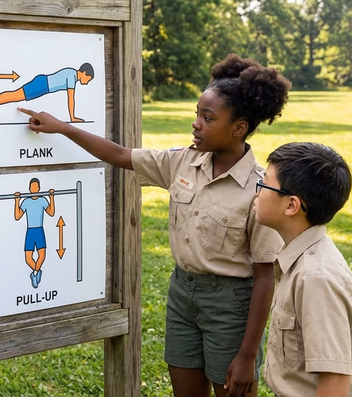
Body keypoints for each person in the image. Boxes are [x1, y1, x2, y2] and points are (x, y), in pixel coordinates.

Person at [20, 54, 290, 397]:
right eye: (197, 114)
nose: (196, 123)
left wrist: (247, 355)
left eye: (208, 118)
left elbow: (265, 277)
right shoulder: (182, 161)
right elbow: (121, 155)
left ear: (239, 128)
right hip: (182, 294)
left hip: (230, 305)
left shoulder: (257, 190)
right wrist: (63, 127)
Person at [255, 142, 352, 397]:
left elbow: (334, 382)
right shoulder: (299, 258)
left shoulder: (315, 278)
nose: (256, 193)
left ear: (291, 206)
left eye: (263, 185)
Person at [0, 63, 94, 125]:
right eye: (88, 78)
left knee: (14, 95)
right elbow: (71, 98)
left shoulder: (72, 74)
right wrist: (72, 118)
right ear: (83, 72)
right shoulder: (72, 75)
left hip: (43, 85)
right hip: (42, 85)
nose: (87, 82)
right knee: (14, 96)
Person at [14, 178, 55, 288]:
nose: (34, 189)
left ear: (39, 188)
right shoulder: (26, 201)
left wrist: (51, 198)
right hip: (30, 231)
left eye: (36, 187)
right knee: (28, 258)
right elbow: (17, 216)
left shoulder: (42, 200)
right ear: (30, 189)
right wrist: (17, 201)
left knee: (42, 255)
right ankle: (36, 272)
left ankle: (35, 274)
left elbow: (51, 213)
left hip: (39, 230)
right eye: (32, 187)